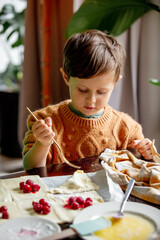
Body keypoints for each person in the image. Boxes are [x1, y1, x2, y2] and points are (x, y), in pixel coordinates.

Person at [23, 29, 153, 170]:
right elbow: (30, 168)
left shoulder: (127, 129)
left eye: (101, 92)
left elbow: (141, 170)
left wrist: (147, 154)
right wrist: (42, 144)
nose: (91, 100)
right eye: (82, 90)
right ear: (66, 77)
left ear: (115, 83)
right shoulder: (44, 121)